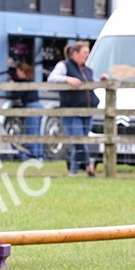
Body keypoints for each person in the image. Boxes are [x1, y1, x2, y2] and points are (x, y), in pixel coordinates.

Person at [48, 40, 98, 176]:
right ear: (75, 53)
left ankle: (73, 171)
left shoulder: (87, 70)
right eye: (84, 53)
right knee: (78, 140)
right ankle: (88, 164)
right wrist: (67, 79)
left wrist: (101, 82)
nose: (87, 55)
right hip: (71, 110)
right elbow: (52, 78)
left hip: (87, 110)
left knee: (80, 141)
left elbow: (92, 84)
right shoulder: (64, 66)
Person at [8, 61, 44, 160]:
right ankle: (39, 154)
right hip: (39, 105)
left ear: (23, 72)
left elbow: (17, 94)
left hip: (32, 107)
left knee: (31, 131)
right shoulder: (30, 80)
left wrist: (12, 86)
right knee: (37, 131)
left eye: (18, 72)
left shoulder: (25, 83)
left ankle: (32, 154)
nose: (17, 74)